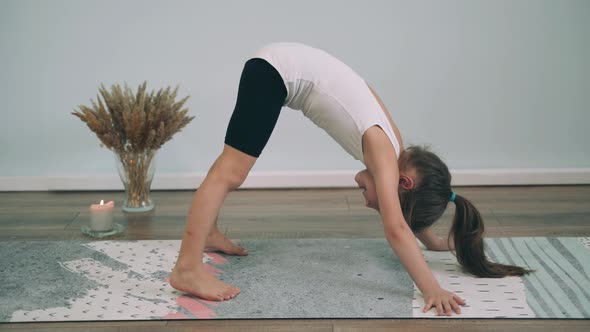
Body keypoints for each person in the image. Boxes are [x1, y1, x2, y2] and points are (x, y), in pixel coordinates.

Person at [169, 42, 530, 316]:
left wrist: (432, 241)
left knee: (231, 168)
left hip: (277, 65)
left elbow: (403, 211)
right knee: (232, 171)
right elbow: (396, 229)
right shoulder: (384, 157)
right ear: (403, 183)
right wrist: (431, 288)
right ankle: (187, 268)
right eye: (380, 202)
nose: (370, 202)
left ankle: (209, 232)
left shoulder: (394, 149)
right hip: (275, 71)